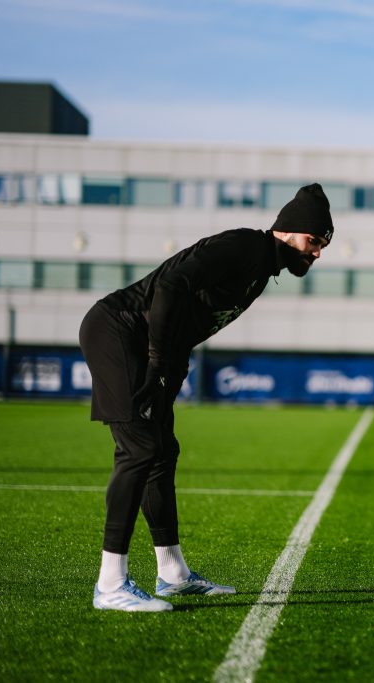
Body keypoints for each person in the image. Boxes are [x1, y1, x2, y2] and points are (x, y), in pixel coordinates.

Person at [80, 183, 334, 612]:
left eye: (323, 245)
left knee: (162, 452)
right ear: (288, 231)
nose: (317, 253)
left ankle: (173, 574)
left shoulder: (261, 270)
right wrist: (158, 363)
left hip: (149, 349)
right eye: (314, 241)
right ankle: (110, 584)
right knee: (139, 449)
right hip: (117, 330)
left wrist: (169, 375)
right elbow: (171, 286)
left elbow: (191, 322)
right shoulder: (247, 246)